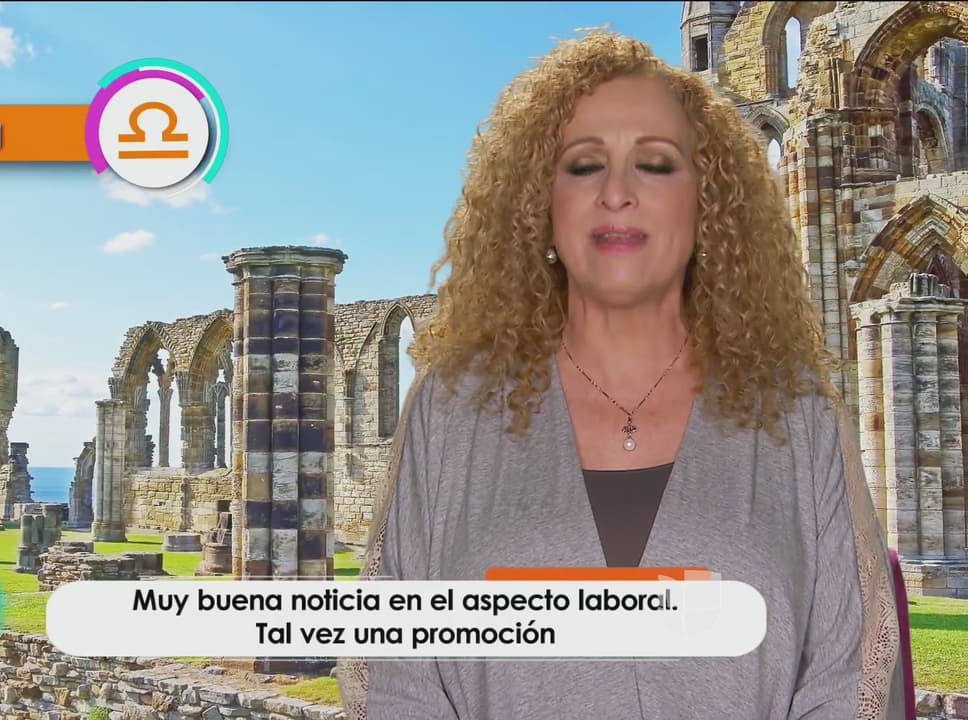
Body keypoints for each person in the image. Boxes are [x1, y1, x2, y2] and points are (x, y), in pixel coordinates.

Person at [334, 30, 904, 720]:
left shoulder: (795, 411)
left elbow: (848, 666)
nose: (617, 193)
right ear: (538, 203)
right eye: (583, 165)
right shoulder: (451, 407)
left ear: (708, 202)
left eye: (656, 164)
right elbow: (393, 663)